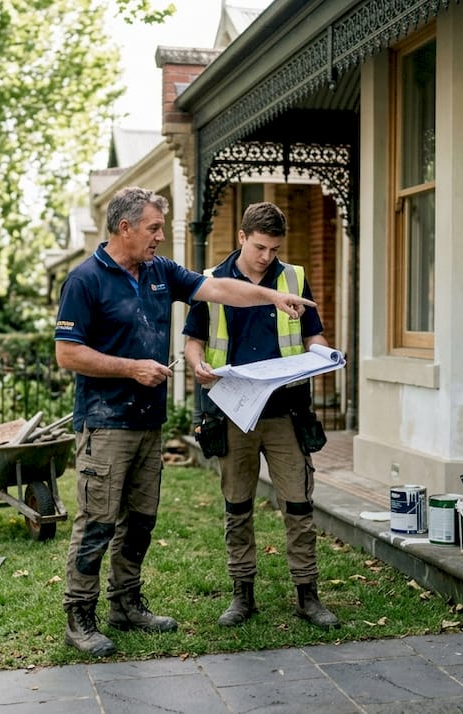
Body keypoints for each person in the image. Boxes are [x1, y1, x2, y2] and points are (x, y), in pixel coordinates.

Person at [54, 187, 317, 657]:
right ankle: (80, 616)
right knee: (97, 521)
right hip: (105, 422)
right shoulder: (85, 280)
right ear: (125, 227)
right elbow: (66, 353)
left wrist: (272, 296)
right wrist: (130, 367)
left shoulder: (160, 273)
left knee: (141, 521)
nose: (160, 236)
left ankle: (126, 604)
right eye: (154, 227)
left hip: (148, 421)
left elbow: (218, 287)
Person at [181, 201, 340, 631]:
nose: (266, 256)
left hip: (286, 411)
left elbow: (313, 334)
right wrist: (197, 364)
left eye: (273, 248)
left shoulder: (294, 278)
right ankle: (241, 595)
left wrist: (324, 355)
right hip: (233, 411)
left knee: (299, 505)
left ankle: (308, 596)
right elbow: (193, 340)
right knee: (237, 506)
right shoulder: (211, 282)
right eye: (259, 247)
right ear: (241, 238)